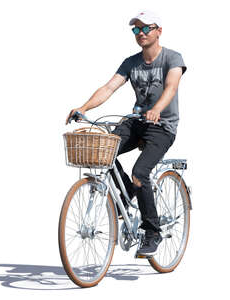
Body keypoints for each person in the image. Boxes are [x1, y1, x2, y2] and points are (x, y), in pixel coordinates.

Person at [65, 10, 187, 257]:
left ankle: (152, 232)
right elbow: (109, 87)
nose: (140, 33)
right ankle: (128, 191)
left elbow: (171, 87)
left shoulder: (172, 58)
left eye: (146, 28)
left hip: (162, 126)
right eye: (136, 30)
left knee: (140, 172)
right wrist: (83, 107)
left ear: (158, 31)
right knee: (103, 150)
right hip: (137, 121)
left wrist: (157, 110)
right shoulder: (131, 62)